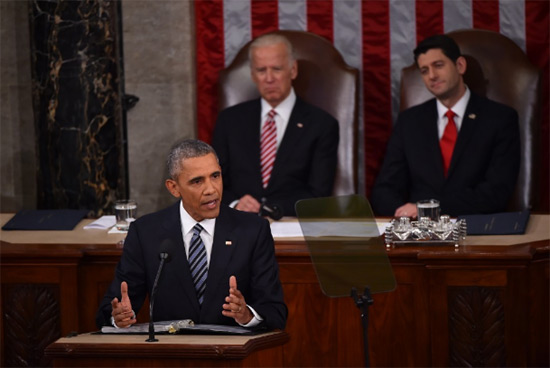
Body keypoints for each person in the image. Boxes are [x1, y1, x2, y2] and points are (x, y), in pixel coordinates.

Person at [96, 139, 287, 331]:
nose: (211, 189)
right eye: (197, 181)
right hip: (172, 354)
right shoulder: (145, 233)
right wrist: (118, 317)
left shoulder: (253, 230)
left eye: (215, 176)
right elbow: (111, 308)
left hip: (233, 353)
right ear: (174, 188)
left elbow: (275, 311)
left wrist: (246, 315)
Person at [371, 34, 520, 218]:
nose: (432, 76)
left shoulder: (500, 119)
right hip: (419, 233)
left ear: (460, 66)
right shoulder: (409, 121)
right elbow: (384, 190)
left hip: (476, 230)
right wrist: (402, 213)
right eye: (424, 71)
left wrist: (429, 209)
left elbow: (496, 192)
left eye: (438, 65)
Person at [212, 33, 339, 217]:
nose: (269, 78)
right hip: (238, 224)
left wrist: (272, 209)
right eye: (261, 70)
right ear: (253, 75)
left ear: (293, 70)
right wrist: (235, 203)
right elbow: (213, 181)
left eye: (277, 69)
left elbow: (318, 193)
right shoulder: (229, 121)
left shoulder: (322, 124)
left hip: (290, 224)